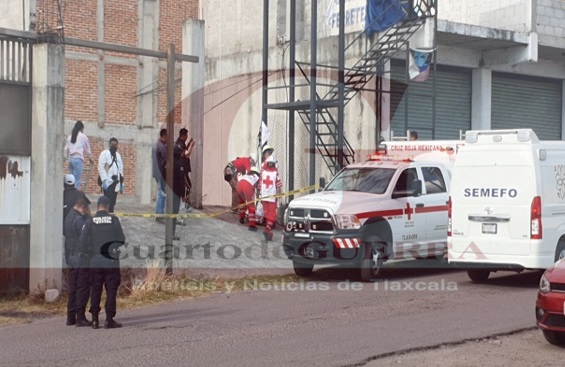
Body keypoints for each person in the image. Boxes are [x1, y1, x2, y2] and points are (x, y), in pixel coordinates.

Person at [78, 196, 126, 329]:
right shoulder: (114, 220)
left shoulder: (90, 222)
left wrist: (90, 252)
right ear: (108, 206)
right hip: (111, 260)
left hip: (95, 260)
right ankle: (109, 320)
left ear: (97, 206)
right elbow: (121, 239)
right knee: (111, 290)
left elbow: (82, 243)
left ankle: (94, 320)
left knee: (96, 289)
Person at [64, 195, 92, 327]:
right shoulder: (80, 220)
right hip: (81, 258)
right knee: (82, 287)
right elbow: (86, 239)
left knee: (73, 287)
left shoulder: (68, 217)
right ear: (83, 207)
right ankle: (80, 317)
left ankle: (71, 317)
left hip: (71, 257)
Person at [64, 120, 93, 190]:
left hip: (70, 160)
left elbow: (66, 149)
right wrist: (90, 158)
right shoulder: (83, 137)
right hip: (78, 160)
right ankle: (75, 197)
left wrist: (66, 158)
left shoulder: (70, 137)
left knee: (71, 181)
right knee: (77, 181)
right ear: (81, 128)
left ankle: (69, 194)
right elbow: (87, 149)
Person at [98, 137, 124, 213]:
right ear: (109, 144)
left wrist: (122, 181)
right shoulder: (104, 153)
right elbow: (101, 167)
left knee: (113, 201)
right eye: (112, 144)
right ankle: (107, 214)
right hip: (107, 181)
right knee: (107, 200)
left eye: (115, 145)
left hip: (116, 182)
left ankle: (111, 214)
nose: (114, 146)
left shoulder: (118, 155)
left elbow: (120, 168)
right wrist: (104, 180)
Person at [260, 155, 282, 241]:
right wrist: (279, 195)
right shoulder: (275, 173)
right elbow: (279, 185)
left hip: (264, 197)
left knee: (267, 214)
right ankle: (267, 229)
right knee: (273, 215)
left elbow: (259, 184)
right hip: (272, 197)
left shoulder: (263, 172)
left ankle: (268, 231)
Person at [236, 167, 261, 231]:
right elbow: (258, 189)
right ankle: (252, 225)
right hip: (247, 186)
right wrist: (257, 198)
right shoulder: (257, 177)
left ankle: (242, 217)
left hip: (239, 185)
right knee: (251, 205)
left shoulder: (246, 175)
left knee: (241, 201)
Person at [152, 128, 168, 223]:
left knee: (161, 193)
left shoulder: (157, 145)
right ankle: (159, 214)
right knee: (161, 194)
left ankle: (160, 213)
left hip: (158, 173)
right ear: (164, 136)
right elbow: (167, 159)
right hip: (161, 173)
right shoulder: (161, 147)